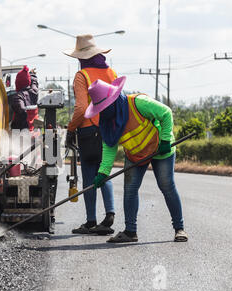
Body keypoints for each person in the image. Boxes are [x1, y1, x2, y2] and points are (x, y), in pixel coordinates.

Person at [85, 77, 188, 243]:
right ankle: (130, 232)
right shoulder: (107, 122)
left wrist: (165, 140)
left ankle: (179, 228)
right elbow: (110, 148)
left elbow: (166, 113)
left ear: (113, 100)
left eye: (105, 106)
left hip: (160, 148)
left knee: (166, 185)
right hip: (135, 154)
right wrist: (103, 173)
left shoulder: (138, 103)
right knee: (130, 189)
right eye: (100, 108)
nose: (103, 111)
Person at [64, 34, 117, 235]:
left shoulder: (82, 76)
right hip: (109, 129)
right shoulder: (111, 73)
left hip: (89, 130)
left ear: (81, 58)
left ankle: (91, 221)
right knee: (105, 172)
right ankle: (110, 213)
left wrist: (70, 129)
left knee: (89, 174)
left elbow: (81, 108)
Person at [10, 66, 39, 131]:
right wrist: (32, 74)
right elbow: (34, 84)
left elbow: (21, 111)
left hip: (19, 133)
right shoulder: (34, 92)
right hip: (33, 130)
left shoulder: (18, 97)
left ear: (17, 82)